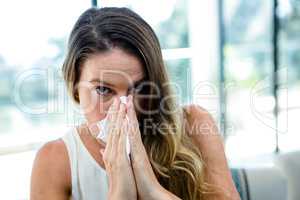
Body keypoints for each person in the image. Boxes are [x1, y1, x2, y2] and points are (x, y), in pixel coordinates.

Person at [30, 7, 240, 200]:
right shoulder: (55, 160)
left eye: (138, 89)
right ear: (75, 86)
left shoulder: (195, 126)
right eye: (103, 90)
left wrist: (151, 188)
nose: (122, 109)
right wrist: (120, 193)